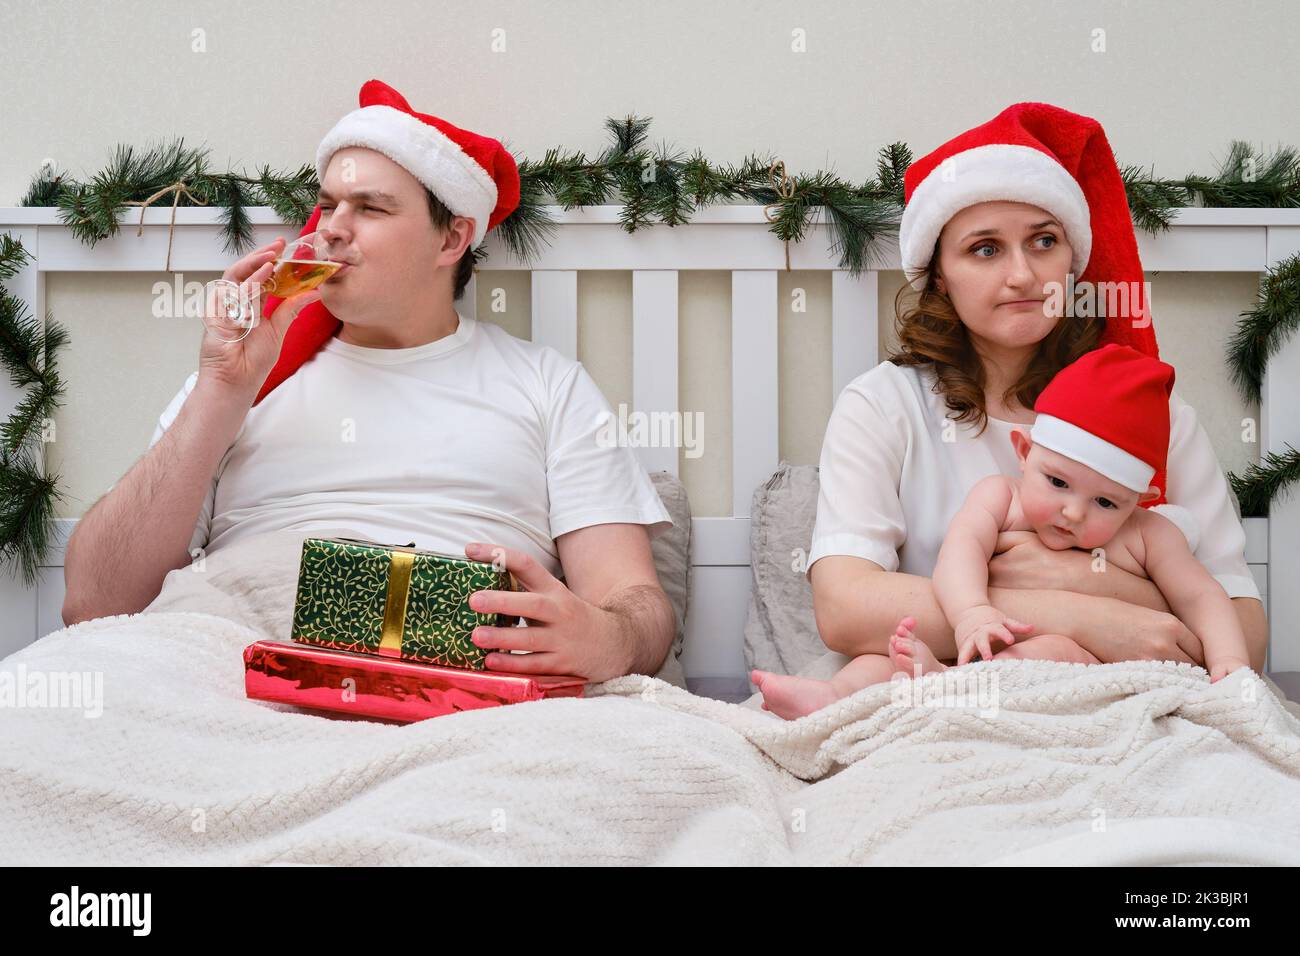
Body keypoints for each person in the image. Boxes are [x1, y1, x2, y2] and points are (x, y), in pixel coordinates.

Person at [62, 79, 677, 684]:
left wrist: (601, 637)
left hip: (453, 673)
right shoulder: (242, 375)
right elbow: (93, 605)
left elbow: (636, 607)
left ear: (453, 237)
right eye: (328, 204)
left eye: (371, 208)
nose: (329, 228)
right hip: (235, 654)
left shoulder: (548, 385)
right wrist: (220, 393)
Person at [783, 102, 1267, 689]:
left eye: (1043, 242)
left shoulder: (1151, 415)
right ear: (938, 273)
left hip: (1104, 696)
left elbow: (1246, 633)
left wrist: (1087, 590)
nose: (1022, 276)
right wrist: (1093, 612)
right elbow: (845, 609)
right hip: (943, 686)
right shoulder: (883, 406)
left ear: (1073, 260)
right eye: (984, 249)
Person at [754, 344, 1254, 719]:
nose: (1073, 512)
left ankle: (946, 685)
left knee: (1056, 654)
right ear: (1024, 453)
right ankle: (833, 700)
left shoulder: (1149, 534)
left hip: (1064, 667)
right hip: (972, 640)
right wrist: (972, 614)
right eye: (1056, 482)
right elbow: (961, 553)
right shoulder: (1001, 497)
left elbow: (1203, 595)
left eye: (1105, 501)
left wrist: (1229, 661)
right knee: (879, 660)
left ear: (1140, 500)